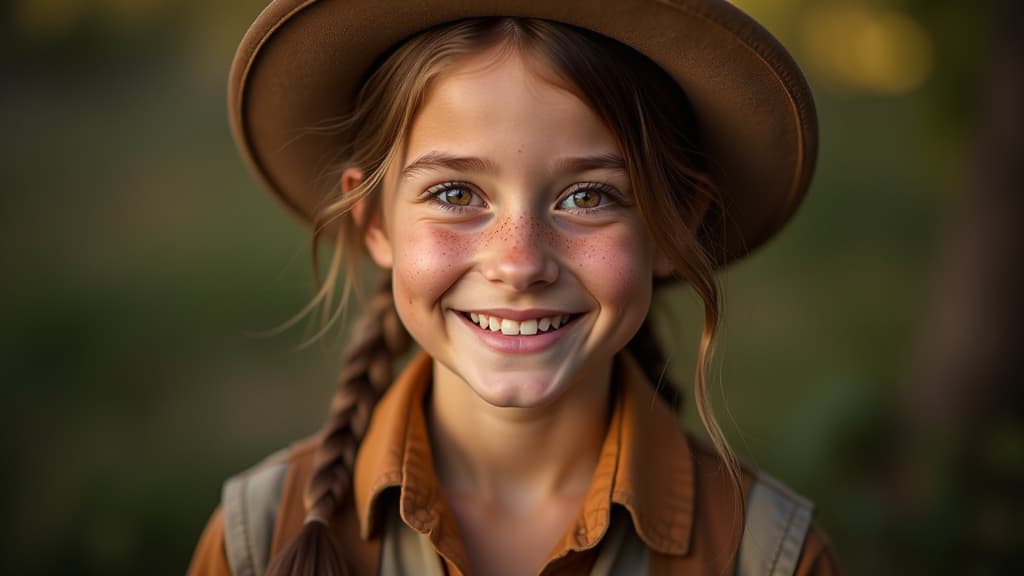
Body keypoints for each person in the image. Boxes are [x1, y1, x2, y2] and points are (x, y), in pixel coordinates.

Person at [189, 0, 842, 574]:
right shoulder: (258, 539)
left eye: (588, 197)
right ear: (373, 223)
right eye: (454, 193)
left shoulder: (766, 557)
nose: (520, 263)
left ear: (674, 229)